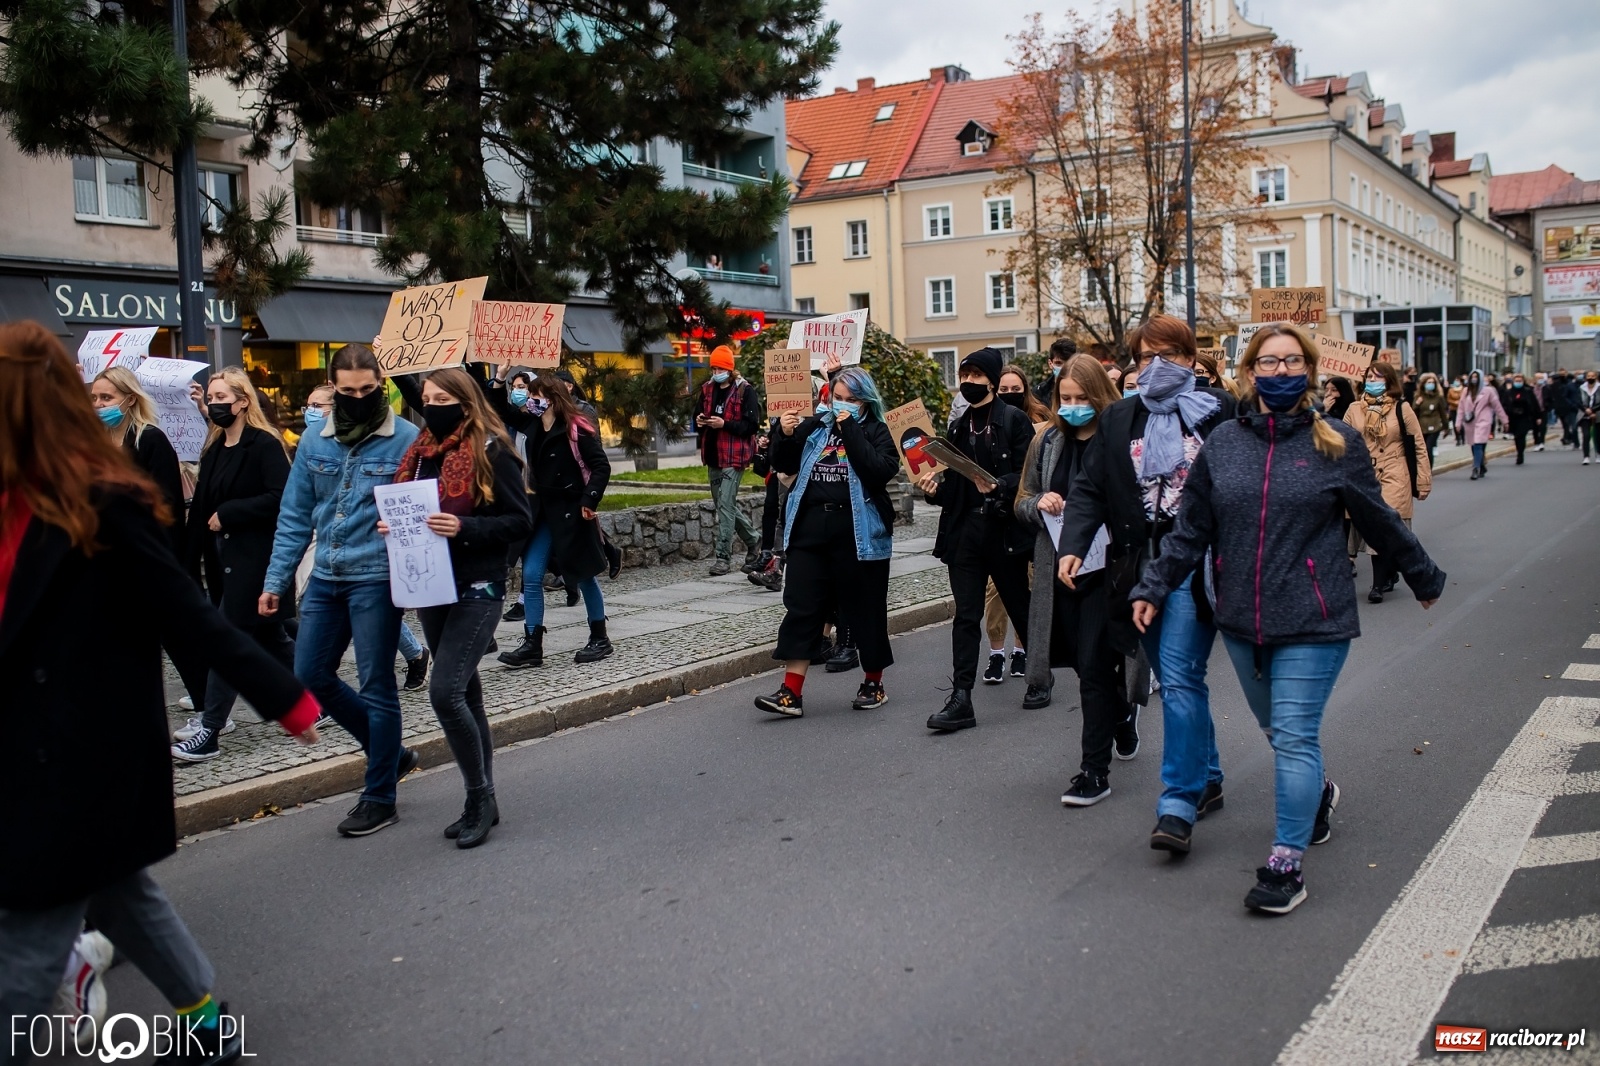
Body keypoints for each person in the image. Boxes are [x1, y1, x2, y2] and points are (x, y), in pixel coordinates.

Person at [0, 321, 321, 1061]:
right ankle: (209, 1031)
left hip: (83, 749)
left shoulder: (105, 497)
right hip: (23, 744)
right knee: (122, 896)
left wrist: (284, 695)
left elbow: (184, 609)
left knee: (25, 947)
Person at [1130, 323, 1444, 914]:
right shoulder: (1224, 444)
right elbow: (1191, 529)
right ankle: (1318, 790)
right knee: (1277, 731)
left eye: (1292, 361)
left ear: (1309, 370)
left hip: (1314, 617)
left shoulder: (1337, 441)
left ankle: (1285, 865)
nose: (1280, 371)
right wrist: (1154, 585)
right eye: (1269, 363)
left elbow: (1377, 517)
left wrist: (1421, 575)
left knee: (1295, 735)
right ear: (1250, 372)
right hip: (1242, 621)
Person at [1058, 314, 1237, 854]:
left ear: (1191, 359)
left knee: (1179, 677)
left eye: (1169, 355)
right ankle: (1209, 774)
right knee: (1178, 676)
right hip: (1139, 567)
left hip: (1198, 563)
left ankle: (1178, 800)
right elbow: (1091, 486)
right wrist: (1073, 543)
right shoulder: (1120, 417)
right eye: (1144, 356)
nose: (1155, 366)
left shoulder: (1220, 411)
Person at [260, 343, 422, 838]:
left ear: (381, 386)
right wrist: (276, 580)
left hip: (376, 576)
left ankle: (380, 796)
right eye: (347, 391)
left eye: (367, 390)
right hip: (326, 576)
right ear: (333, 388)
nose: (357, 398)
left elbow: (423, 510)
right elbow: (294, 515)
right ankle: (389, 754)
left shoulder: (407, 439)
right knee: (309, 674)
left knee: (377, 683)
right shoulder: (315, 440)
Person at [382, 368, 531, 847]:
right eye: (426, 399)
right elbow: (413, 508)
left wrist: (464, 528)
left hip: (478, 586)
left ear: (465, 403)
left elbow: (519, 521)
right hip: (431, 584)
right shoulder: (421, 452)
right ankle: (484, 797)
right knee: (466, 693)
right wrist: (394, 525)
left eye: (442, 399)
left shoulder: (492, 450)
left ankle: (478, 797)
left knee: (445, 693)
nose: (431, 406)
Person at [1016, 355, 1137, 805]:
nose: (1071, 407)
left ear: (1100, 397)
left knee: (1093, 666)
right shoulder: (1047, 441)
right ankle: (1121, 716)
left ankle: (1094, 772)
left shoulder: (1120, 439)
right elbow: (1022, 499)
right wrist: (1038, 504)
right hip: (1063, 573)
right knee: (1087, 666)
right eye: (1064, 399)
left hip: (1109, 573)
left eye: (1081, 398)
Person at [754, 367, 899, 716]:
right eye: (838, 398)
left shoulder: (877, 430)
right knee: (802, 606)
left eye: (852, 400)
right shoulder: (817, 425)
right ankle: (791, 692)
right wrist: (785, 433)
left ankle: (873, 683)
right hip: (810, 528)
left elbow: (878, 470)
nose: (843, 404)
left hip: (857, 532)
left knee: (865, 608)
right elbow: (782, 463)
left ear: (866, 401)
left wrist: (850, 428)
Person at [170, 367, 297, 762]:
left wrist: (230, 513)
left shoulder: (264, 444)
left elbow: (281, 497)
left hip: (256, 561)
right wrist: (184, 563)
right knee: (272, 640)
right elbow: (201, 508)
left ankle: (210, 730)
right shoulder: (214, 448)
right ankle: (315, 703)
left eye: (222, 397)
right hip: (222, 561)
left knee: (226, 643)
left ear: (243, 402)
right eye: (211, 398)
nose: (214, 404)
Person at [918, 347, 1038, 730]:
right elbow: (955, 486)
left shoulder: (1014, 420)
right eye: (963, 375)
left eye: (975, 375)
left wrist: (998, 484)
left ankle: (1039, 676)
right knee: (966, 615)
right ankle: (961, 697)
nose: (968, 382)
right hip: (965, 534)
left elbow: (1029, 476)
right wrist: (934, 491)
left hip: (1002, 532)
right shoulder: (958, 426)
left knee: (1019, 606)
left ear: (991, 380)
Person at [490, 370, 615, 667]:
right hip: (542, 511)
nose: (529, 400)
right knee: (532, 574)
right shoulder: (532, 424)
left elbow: (601, 466)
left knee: (584, 575)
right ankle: (532, 643)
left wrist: (589, 500)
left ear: (552, 399)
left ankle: (600, 637)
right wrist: (499, 379)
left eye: (535, 396)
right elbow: (500, 409)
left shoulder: (575, 428)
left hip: (572, 511)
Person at [983, 365, 1052, 684]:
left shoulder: (1041, 421)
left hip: (1027, 516)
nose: (1010, 394)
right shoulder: (986, 421)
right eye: (1004, 389)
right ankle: (996, 652)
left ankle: (1022, 650)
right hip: (997, 516)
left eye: (1015, 389)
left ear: (1025, 389)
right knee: (995, 590)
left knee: (1028, 588)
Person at [1344, 361, 1431, 604]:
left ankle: (1377, 585)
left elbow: (1418, 445)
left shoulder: (1402, 408)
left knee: (1386, 525)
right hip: (1365, 474)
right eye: (1369, 376)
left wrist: (1423, 481)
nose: (1372, 381)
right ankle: (1388, 572)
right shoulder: (1354, 409)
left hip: (1395, 473)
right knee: (1373, 526)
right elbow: (1342, 442)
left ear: (1389, 381)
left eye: (1378, 377)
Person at [696, 345, 762, 576]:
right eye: (713, 368)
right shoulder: (707, 389)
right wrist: (700, 421)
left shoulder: (745, 390)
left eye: (720, 368)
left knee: (725, 503)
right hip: (713, 455)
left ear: (730, 369)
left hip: (734, 456)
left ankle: (722, 557)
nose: (716, 373)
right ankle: (754, 540)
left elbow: (751, 425)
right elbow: (697, 416)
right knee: (723, 504)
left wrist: (724, 424)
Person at [1454, 369, 1508, 480]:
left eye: (1476, 377)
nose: (1474, 379)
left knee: (1478, 443)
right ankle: (1482, 465)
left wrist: (1504, 421)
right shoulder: (1466, 391)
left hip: (1483, 420)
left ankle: (1476, 468)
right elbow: (1461, 408)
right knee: (1474, 445)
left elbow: (1497, 406)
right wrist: (1458, 423)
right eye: (1472, 377)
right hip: (1470, 422)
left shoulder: (1488, 391)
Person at [1502, 373, 1541, 465]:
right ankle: (1518, 450)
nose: (1518, 382)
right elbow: (1504, 404)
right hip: (1513, 417)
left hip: (1525, 417)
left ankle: (1520, 453)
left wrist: (1538, 416)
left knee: (1522, 435)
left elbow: (1534, 404)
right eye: (1516, 381)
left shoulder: (1528, 391)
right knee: (1516, 436)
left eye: (1520, 381)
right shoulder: (1509, 392)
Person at [1412, 372, 1450, 468]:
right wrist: (1417, 404)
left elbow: (1443, 413)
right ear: (1424, 384)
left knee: (1429, 448)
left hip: (1435, 425)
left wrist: (1446, 427)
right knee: (1422, 449)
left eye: (1432, 382)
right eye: (1429, 382)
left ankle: (1429, 469)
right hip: (1422, 426)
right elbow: (1413, 412)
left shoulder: (1438, 397)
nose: (1431, 384)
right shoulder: (1418, 396)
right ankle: (1422, 468)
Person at [1034, 337, 1077, 407]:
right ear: (1050, 363)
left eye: (1068, 363)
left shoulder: (1084, 389)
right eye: (1058, 363)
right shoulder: (1039, 392)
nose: (1063, 368)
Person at [1579, 371, 1600, 465]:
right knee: (1586, 435)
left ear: (1596, 377)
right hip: (1584, 414)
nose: (1590, 377)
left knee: (1598, 436)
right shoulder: (1581, 388)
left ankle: (1598, 454)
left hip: (1598, 413)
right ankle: (1586, 456)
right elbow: (1578, 401)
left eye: (1592, 376)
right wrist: (1585, 409)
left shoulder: (1599, 387)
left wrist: (1593, 410)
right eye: (1589, 376)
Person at [1447, 375, 1467, 446]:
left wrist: (1460, 402)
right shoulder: (1451, 390)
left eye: (1458, 380)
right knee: (1455, 424)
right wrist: (1455, 402)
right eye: (1456, 380)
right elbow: (1448, 399)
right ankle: (1458, 439)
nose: (1456, 382)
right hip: (1453, 409)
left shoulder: (1464, 389)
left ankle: (1463, 438)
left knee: (1462, 424)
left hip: (1462, 409)